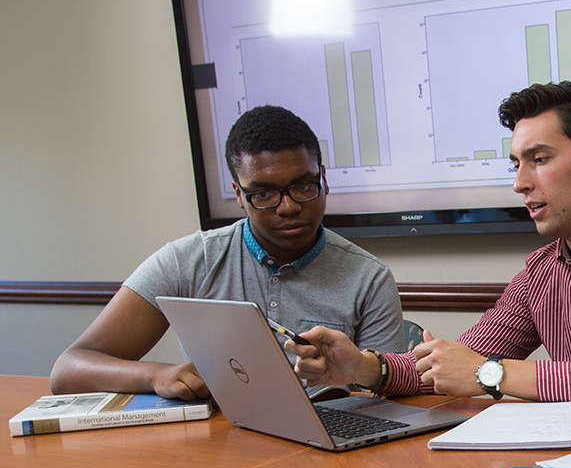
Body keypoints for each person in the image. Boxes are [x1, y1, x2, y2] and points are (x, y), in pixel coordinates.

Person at [287, 81, 571, 401]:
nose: (519, 184)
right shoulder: (541, 273)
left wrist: (491, 374)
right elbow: (460, 359)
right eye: (516, 164)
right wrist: (363, 367)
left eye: (539, 159)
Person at [50, 105, 406, 401]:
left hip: (330, 456)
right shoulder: (189, 261)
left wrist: (354, 371)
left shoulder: (369, 278)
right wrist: (159, 375)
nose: (288, 207)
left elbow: (386, 400)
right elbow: (69, 370)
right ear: (238, 194)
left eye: (302, 186)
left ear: (323, 180)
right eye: (263, 193)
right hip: (217, 451)